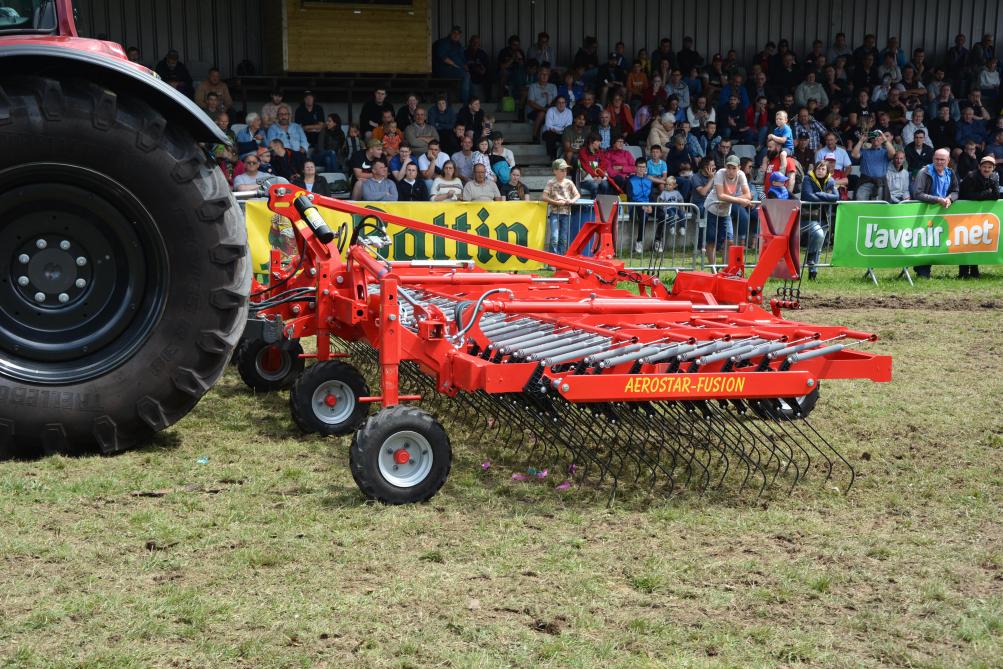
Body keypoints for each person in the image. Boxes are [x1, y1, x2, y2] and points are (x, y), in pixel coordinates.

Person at [912, 148, 959, 278]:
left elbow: (956, 190)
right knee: (925, 242)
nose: (939, 162)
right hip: (925, 212)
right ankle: (922, 271)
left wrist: (950, 199)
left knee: (936, 242)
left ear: (948, 161)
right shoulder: (924, 172)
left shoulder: (951, 173)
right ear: (933, 159)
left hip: (942, 213)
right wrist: (937, 200)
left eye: (942, 160)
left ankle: (924, 268)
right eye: (936, 159)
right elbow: (917, 193)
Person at [703, 155, 753, 264]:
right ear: (725, 167)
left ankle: (725, 269)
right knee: (711, 241)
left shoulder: (741, 175)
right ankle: (714, 269)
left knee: (729, 241)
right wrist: (740, 201)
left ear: (739, 168)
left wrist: (732, 200)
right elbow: (721, 196)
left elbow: (748, 195)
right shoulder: (720, 173)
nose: (730, 171)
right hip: (712, 209)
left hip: (725, 212)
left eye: (733, 168)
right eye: (728, 167)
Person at [957, 155, 999, 278]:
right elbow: (968, 195)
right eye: (984, 167)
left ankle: (975, 270)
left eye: (989, 167)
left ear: (993, 168)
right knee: (964, 242)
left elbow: (996, 195)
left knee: (976, 242)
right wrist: (987, 192)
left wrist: (982, 195)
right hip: (965, 214)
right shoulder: (970, 176)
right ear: (979, 166)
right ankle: (963, 272)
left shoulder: (995, 176)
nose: (986, 169)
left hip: (981, 216)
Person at [800, 160, 839, 280]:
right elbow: (808, 196)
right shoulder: (807, 179)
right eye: (818, 168)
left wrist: (819, 194)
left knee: (819, 246)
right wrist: (826, 197)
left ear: (827, 171)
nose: (820, 171)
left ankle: (813, 274)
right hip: (809, 215)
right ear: (814, 169)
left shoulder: (831, 181)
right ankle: (810, 257)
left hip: (824, 216)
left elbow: (836, 197)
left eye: (823, 169)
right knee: (818, 234)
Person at [542, 159, 582, 255]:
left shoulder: (569, 182)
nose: (564, 172)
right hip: (555, 213)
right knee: (554, 237)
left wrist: (571, 201)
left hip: (567, 213)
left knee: (563, 238)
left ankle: (560, 259)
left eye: (565, 170)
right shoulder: (551, 182)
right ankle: (552, 260)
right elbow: (544, 196)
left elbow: (577, 194)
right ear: (555, 171)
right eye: (562, 170)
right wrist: (555, 202)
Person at [851, 130, 895, 200]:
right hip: (864, 182)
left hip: (880, 183)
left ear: (882, 139)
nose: (876, 139)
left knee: (879, 207)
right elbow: (854, 154)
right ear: (871, 140)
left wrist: (885, 139)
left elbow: (893, 154)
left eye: (878, 137)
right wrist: (861, 141)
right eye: (873, 137)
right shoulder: (865, 151)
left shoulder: (885, 152)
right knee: (860, 205)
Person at [432, 25, 469, 102]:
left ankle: (472, 101)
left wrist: (466, 68)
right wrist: (456, 66)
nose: (456, 35)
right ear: (450, 33)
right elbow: (443, 57)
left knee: (468, 75)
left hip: (457, 69)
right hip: (445, 69)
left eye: (458, 34)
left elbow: (463, 59)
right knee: (464, 76)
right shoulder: (444, 42)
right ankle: (464, 101)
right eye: (454, 33)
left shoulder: (458, 45)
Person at [266, 105, 309, 170]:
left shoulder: (297, 127)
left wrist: (302, 150)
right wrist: (283, 153)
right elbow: (272, 145)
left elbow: (304, 141)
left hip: (298, 154)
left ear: (289, 115)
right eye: (281, 114)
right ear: (277, 116)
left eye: (285, 114)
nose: (283, 116)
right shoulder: (272, 128)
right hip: (282, 157)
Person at [628, 158, 655, 253]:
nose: (641, 169)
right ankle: (639, 242)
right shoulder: (630, 180)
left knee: (662, 214)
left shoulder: (649, 181)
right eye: (639, 167)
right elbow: (630, 197)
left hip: (648, 205)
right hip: (636, 205)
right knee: (644, 216)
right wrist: (642, 206)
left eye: (643, 167)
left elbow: (651, 196)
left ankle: (658, 240)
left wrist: (650, 205)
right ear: (636, 168)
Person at [527, 68, 559, 140]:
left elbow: (556, 101)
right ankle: (534, 136)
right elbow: (531, 102)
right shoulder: (533, 86)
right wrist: (544, 109)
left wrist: (549, 109)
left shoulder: (553, 86)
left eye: (547, 74)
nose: (544, 76)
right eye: (542, 74)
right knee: (542, 113)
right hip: (535, 110)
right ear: (538, 75)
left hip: (550, 109)